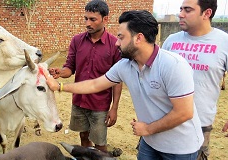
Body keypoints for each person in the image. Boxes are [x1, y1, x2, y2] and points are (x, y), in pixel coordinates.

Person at [47, 10, 204, 160]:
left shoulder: (174, 66)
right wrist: (59, 87)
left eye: (121, 37)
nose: (116, 43)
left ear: (138, 38)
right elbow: (94, 85)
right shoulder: (125, 66)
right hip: (149, 143)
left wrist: (148, 129)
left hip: (179, 148)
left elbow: (184, 112)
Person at [48, 0, 122, 153]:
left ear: (105, 19)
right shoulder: (77, 40)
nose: (87, 23)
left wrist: (114, 108)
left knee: (100, 142)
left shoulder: (114, 45)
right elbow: (70, 68)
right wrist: (60, 73)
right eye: (85, 19)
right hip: (79, 101)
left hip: (100, 104)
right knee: (83, 136)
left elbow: (117, 80)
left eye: (92, 19)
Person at [161, 0, 228, 159]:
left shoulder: (224, 42)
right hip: (161, 119)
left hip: (198, 124)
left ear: (207, 13)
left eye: (188, 10)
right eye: (181, 9)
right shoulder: (171, 40)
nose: (180, 14)